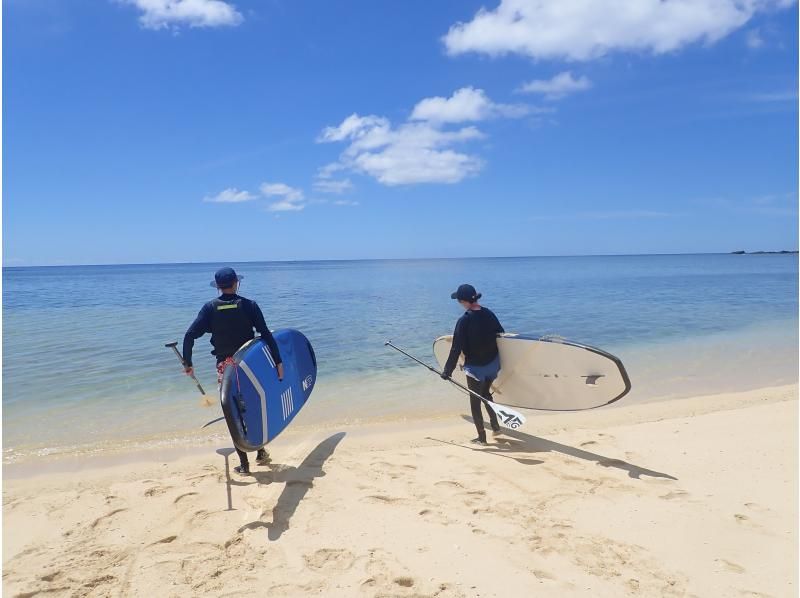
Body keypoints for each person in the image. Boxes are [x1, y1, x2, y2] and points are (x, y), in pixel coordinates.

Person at [183, 267, 284, 475]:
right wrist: (278, 361)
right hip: (249, 365)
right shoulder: (250, 306)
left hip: (226, 368)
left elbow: (189, 336)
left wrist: (188, 362)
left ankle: (244, 464)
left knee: (233, 413)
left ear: (218, 287)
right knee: (252, 407)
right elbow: (265, 334)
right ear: (236, 283)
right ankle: (261, 451)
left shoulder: (209, 308)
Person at [441, 284, 504, 445]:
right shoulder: (489, 313)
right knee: (486, 394)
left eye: (459, 301)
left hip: (475, 369)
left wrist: (447, 371)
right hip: (492, 365)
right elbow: (501, 333)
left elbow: (456, 348)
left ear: (463, 301)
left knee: (474, 402)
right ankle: (496, 427)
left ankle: (482, 438)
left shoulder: (464, 320)